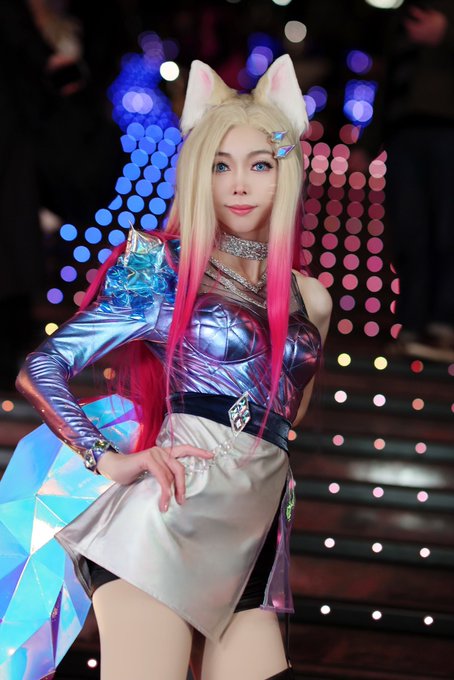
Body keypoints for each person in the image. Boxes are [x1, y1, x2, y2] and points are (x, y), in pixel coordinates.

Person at [15, 54, 331, 680]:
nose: (239, 184)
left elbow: (285, 422)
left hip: (251, 540)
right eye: (220, 165)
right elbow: (41, 367)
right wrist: (107, 458)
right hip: (161, 524)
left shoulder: (311, 299)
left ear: (286, 170)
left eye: (259, 165)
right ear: (197, 173)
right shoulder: (161, 269)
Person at [359, 0, 454, 361]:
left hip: (447, 128)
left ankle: (444, 325)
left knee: (447, 229)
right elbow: (391, 77)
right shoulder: (408, 10)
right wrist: (368, 143)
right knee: (409, 230)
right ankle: (412, 323)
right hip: (405, 131)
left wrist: (447, 34)